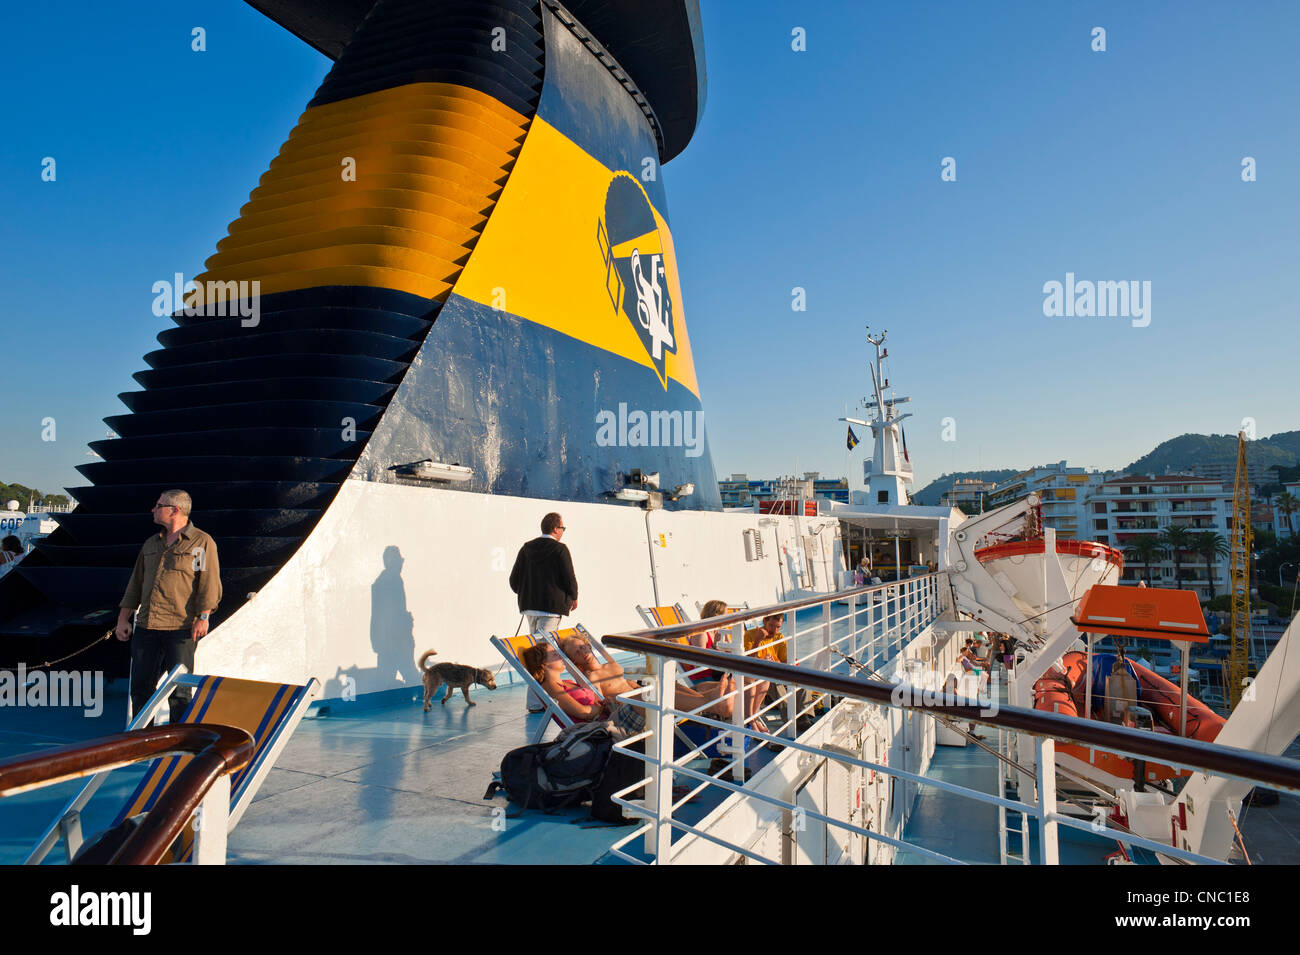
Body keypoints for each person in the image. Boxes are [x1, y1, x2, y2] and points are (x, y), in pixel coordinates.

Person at [115, 490, 222, 725]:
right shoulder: (151, 544)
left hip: (181, 628)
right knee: (141, 688)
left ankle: (176, 743)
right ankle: (144, 741)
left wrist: (203, 616)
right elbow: (135, 584)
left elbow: (208, 582)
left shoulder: (201, 543)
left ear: (174, 510)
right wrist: (123, 619)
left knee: (180, 691)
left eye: (158, 505)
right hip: (147, 626)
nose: (153, 509)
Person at [509, 512, 578, 712]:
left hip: (529, 608)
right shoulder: (560, 549)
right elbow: (568, 576)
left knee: (536, 652)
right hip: (551, 609)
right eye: (562, 528)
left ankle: (537, 700)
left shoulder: (526, 548)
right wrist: (573, 596)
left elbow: (514, 580)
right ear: (556, 529)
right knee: (544, 655)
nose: (563, 532)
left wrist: (526, 594)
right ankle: (536, 702)